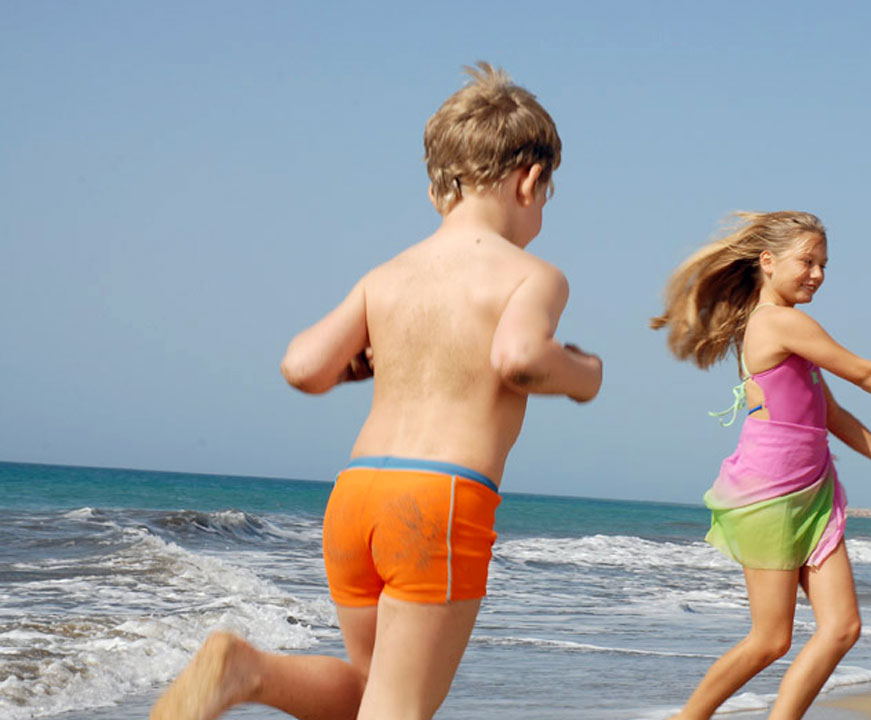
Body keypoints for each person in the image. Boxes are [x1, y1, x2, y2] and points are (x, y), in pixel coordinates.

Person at [150, 62, 602, 720]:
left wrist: (357, 368)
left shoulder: (387, 275)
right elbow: (520, 358)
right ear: (529, 181)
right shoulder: (531, 274)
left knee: (370, 690)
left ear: (435, 191)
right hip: (439, 499)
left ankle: (249, 670)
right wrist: (586, 376)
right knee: (400, 710)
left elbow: (303, 365)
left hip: (356, 498)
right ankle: (240, 668)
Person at [650, 211, 871, 720]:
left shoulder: (787, 326)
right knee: (770, 639)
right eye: (807, 261)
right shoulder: (777, 322)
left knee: (842, 628)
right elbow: (868, 373)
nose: (817, 274)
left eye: (824, 264)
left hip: (811, 488)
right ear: (768, 262)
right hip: (769, 491)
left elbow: (829, 413)